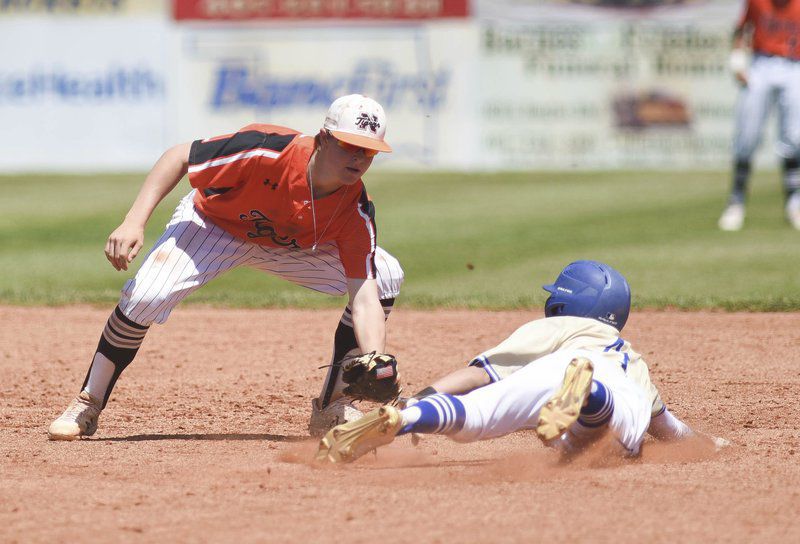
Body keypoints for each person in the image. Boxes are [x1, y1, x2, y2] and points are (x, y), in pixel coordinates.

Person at [48, 94, 404, 440]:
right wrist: (133, 221)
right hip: (214, 226)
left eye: (368, 150)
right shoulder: (266, 149)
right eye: (349, 145)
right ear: (324, 138)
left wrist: (375, 357)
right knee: (145, 296)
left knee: (385, 273)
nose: (358, 158)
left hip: (289, 248)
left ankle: (333, 406)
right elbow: (178, 156)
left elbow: (364, 298)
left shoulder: (354, 208)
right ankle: (88, 401)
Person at [316, 260, 719, 465]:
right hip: (610, 384)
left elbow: (477, 375)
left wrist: (414, 400)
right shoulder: (631, 358)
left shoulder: (559, 328)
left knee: (476, 418)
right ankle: (590, 397)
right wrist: (711, 445)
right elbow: (670, 430)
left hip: (551, 373)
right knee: (622, 429)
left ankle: (408, 420)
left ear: (564, 300)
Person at [718, 0, 800, 231]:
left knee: (794, 137)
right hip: (761, 63)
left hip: (794, 65)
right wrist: (737, 60)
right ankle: (736, 202)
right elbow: (741, 28)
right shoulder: (758, 1)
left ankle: (794, 203)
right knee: (747, 135)